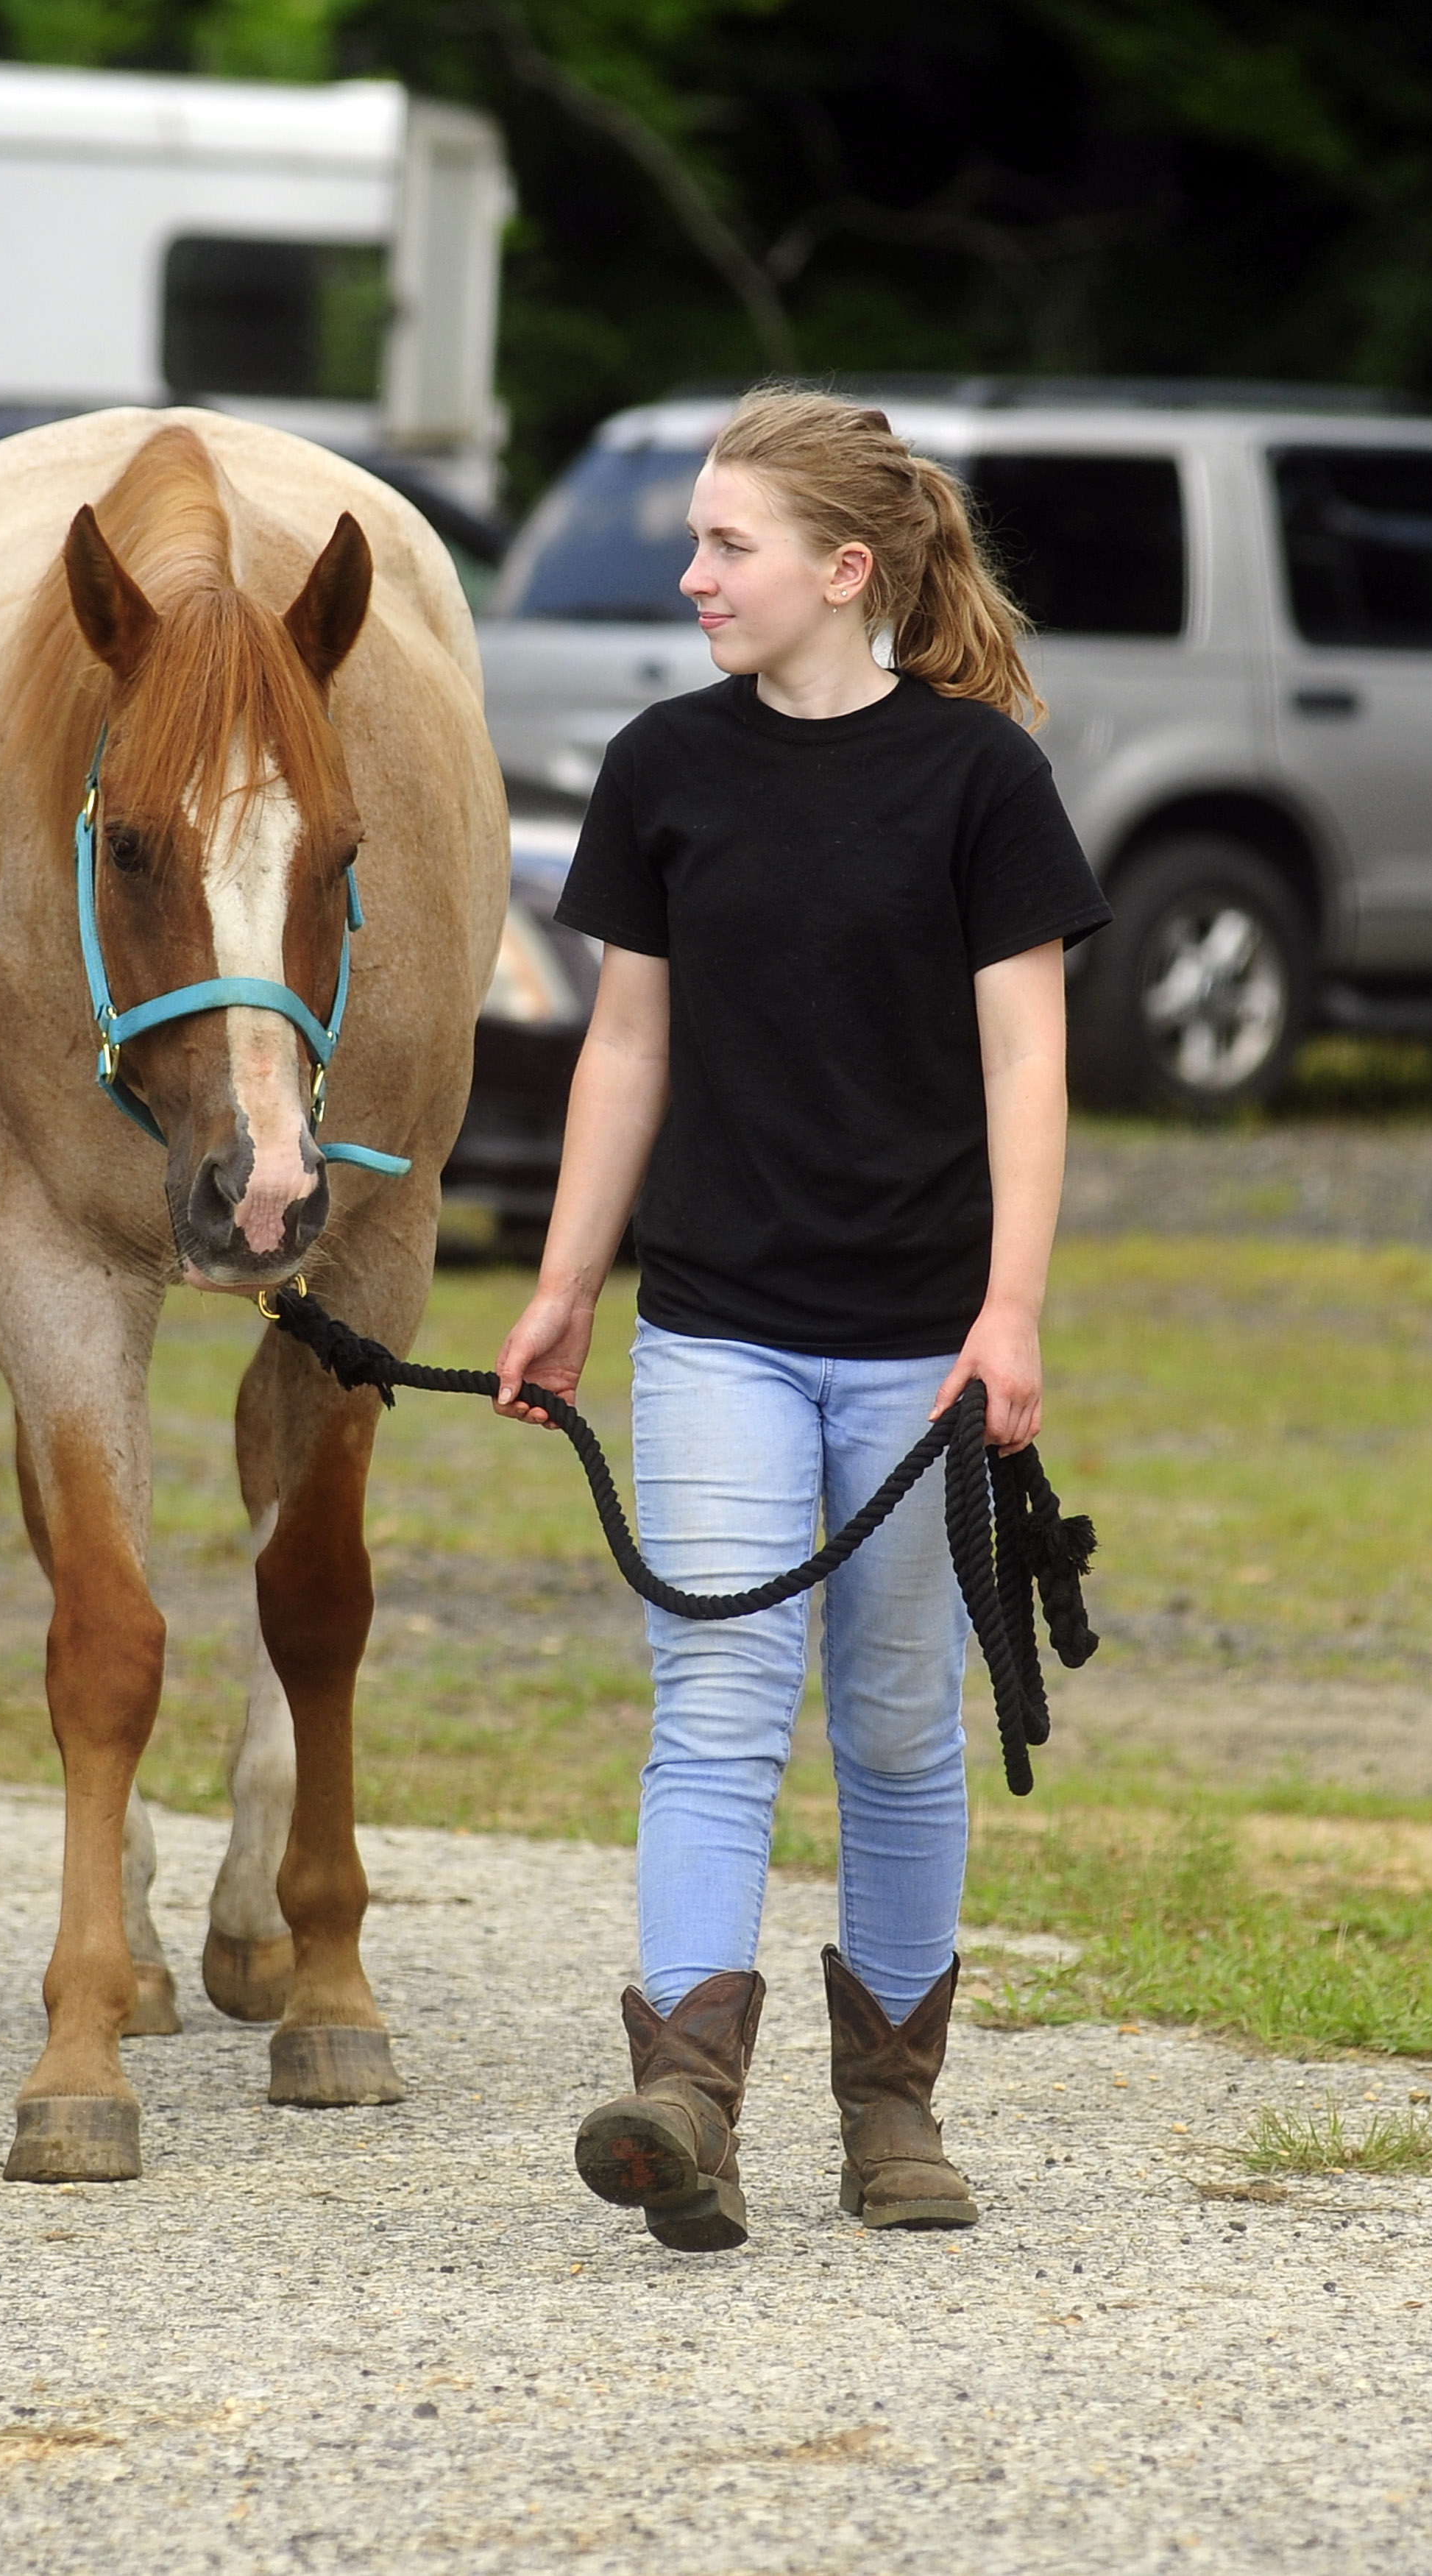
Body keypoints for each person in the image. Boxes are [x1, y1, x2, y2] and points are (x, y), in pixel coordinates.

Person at [493, 389, 1110, 2254]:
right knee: (715, 1708)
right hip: (717, 1330)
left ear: (845, 573)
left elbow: (1026, 1052)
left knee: (900, 1723)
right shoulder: (663, 766)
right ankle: (685, 2093)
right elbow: (625, 1040)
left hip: (923, 1343)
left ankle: (891, 2108)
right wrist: (560, 1279)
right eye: (693, 543)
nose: (690, 577)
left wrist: (1008, 1311)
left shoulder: (979, 778)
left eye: (725, 546)